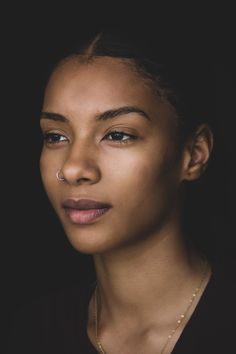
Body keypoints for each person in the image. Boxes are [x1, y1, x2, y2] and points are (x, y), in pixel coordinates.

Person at [6, 27, 235, 354]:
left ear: (194, 153)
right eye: (55, 136)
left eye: (118, 135)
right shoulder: (31, 332)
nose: (72, 168)